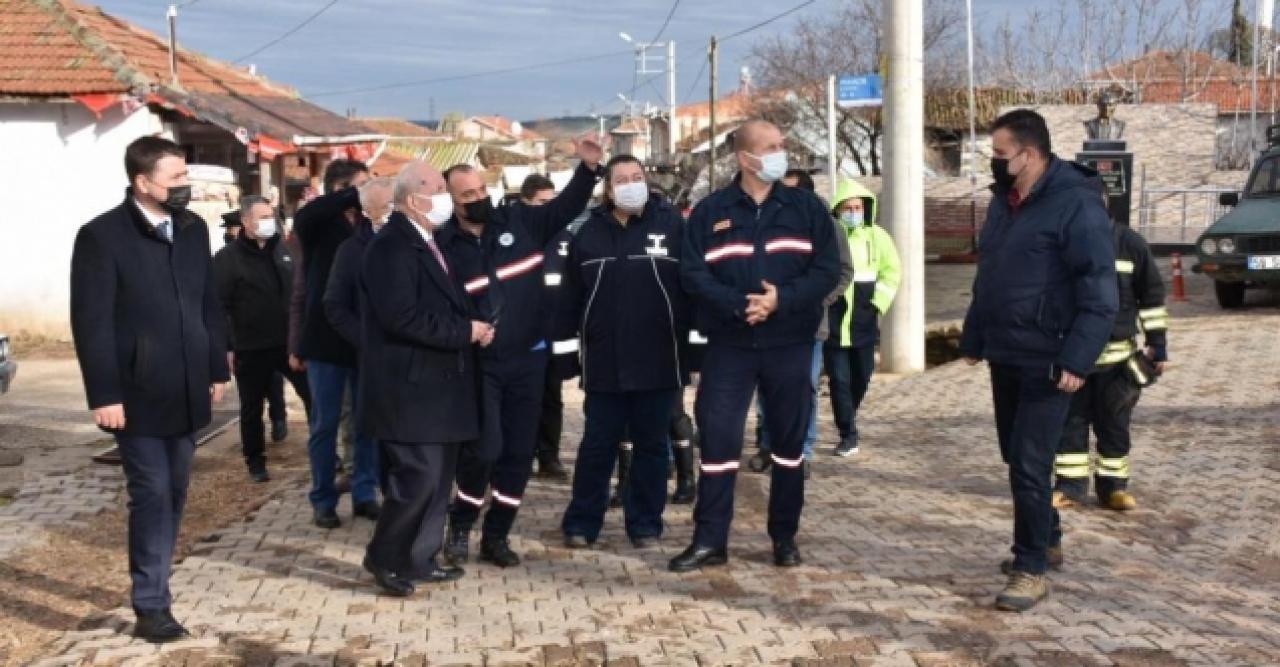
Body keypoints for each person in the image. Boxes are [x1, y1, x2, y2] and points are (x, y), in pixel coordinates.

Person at [70, 136, 230, 642]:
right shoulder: (102, 236)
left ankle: (157, 581)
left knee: (176, 491)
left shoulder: (192, 230)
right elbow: (91, 322)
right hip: (134, 395)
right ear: (143, 182)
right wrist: (104, 394)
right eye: (176, 178)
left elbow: (208, 302)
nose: (185, 186)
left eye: (185, 176)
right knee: (152, 493)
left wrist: (215, 368)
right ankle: (151, 605)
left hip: (185, 389)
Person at [960, 109, 1118, 612]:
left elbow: (1099, 290)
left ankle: (1031, 568)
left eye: (1001, 154)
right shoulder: (1004, 204)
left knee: (1030, 464)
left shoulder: (1077, 205)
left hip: (1050, 358)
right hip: (1006, 352)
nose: (995, 161)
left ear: (1029, 155)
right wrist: (973, 335)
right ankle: (1046, 535)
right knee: (1015, 454)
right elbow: (992, 277)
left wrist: (1078, 357)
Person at [671, 120, 840, 572]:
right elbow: (692, 275)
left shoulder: (808, 209)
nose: (782, 153)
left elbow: (828, 271)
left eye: (781, 146)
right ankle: (710, 540)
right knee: (719, 444)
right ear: (746, 158)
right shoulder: (710, 212)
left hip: (790, 343)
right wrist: (739, 304)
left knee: (788, 445)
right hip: (729, 345)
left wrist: (780, 301)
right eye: (772, 147)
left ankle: (784, 538)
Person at [437, 139, 603, 568]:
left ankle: (498, 535)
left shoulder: (520, 221)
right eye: (466, 196)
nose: (477, 200)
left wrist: (586, 168)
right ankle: (461, 522)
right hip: (480, 366)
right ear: (451, 201)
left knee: (517, 455)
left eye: (479, 191)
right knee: (485, 450)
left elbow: (565, 207)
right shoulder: (444, 246)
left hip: (529, 360)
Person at [359, 161, 494, 596]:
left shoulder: (429, 242)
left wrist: (473, 324)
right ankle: (385, 557)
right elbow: (402, 316)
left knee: (438, 482)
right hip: (410, 387)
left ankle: (420, 557)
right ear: (412, 198)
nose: (445, 199)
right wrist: (464, 331)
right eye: (436, 189)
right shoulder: (391, 247)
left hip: (442, 386)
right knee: (416, 480)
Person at [558, 155, 690, 549]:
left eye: (638, 177)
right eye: (622, 179)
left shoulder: (671, 225)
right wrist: (566, 353)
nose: (631, 184)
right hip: (605, 361)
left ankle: (645, 523)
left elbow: (691, 290)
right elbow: (568, 298)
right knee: (597, 445)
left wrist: (694, 353)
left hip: (660, 359)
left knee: (652, 446)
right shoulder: (588, 232)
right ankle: (582, 522)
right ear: (609, 189)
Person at [1054, 220, 1168, 511]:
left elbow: (1152, 297)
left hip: (1118, 363)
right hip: (1073, 360)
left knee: (1115, 425)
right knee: (1070, 424)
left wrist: (1158, 345)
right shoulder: (1063, 239)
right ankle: (1069, 487)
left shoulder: (1131, 244)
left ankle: (1113, 488)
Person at [748, 169, 854, 476]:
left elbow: (842, 272)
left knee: (803, 389)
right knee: (768, 389)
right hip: (768, 321)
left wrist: (816, 298)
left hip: (808, 325)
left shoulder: (827, 225)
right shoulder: (770, 221)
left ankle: (801, 450)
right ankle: (769, 444)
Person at [293, 159, 379, 528]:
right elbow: (308, 214)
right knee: (324, 424)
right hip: (325, 338)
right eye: (363, 185)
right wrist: (357, 192)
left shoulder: (372, 225)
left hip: (364, 337)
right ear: (343, 188)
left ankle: (364, 492)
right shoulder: (317, 221)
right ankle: (323, 498)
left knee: (366, 423)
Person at [213, 196, 313, 482]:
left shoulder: (284, 252)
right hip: (250, 346)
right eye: (261, 217)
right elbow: (220, 307)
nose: (269, 222)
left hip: (289, 343)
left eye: (271, 216)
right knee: (251, 408)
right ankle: (255, 461)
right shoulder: (226, 259)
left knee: (313, 398)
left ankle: (327, 454)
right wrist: (228, 346)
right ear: (245, 222)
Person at [823, 179, 900, 457]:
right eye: (848, 208)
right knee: (839, 380)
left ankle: (847, 416)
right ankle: (848, 433)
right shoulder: (829, 236)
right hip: (834, 321)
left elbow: (892, 272)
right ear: (838, 210)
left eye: (858, 207)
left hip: (864, 321)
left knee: (862, 377)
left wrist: (877, 303)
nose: (854, 212)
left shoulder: (878, 237)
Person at [522, 174, 572, 480]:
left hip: (555, 334)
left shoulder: (566, 239)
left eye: (552, 202)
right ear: (527, 203)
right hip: (523, 334)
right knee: (525, 399)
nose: (548, 209)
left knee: (552, 398)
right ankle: (521, 454)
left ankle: (549, 456)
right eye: (542, 203)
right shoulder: (515, 237)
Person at [324, 177, 395, 349]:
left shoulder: (422, 240)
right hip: (378, 358)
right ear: (368, 212)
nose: (395, 211)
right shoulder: (351, 251)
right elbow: (335, 305)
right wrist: (368, 340)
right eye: (387, 206)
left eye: (397, 203)